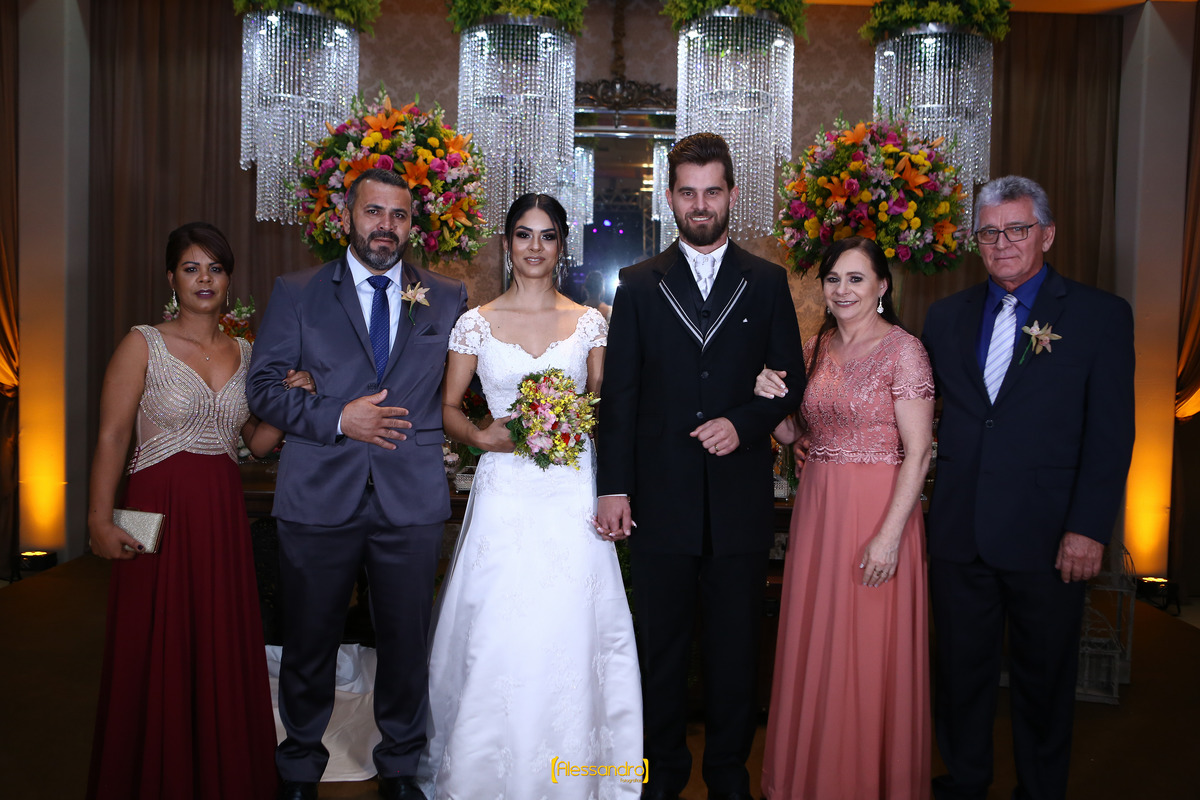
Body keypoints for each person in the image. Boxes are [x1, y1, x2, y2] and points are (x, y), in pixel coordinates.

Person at [247, 168, 468, 800]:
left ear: (412, 225)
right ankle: (299, 765)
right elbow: (262, 389)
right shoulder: (298, 291)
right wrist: (339, 417)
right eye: (374, 212)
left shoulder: (447, 296)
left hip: (411, 495)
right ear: (348, 215)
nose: (385, 227)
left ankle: (399, 765)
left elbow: (473, 379)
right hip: (319, 492)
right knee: (308, 638)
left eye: (399, 215)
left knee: (407, 642)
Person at [595, 132, 804, 800]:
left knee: (735, 652)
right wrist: (614, 488)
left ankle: (728, 777)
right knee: (661, 650)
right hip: (660, 500)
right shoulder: (638, 284)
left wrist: (742, 423)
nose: (701, 204)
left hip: (739, 501)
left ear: (732, 195)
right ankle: (661, 777)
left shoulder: (767, 281)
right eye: (688, 192)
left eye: (712, 191)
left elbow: (789, 381)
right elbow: (619, 397)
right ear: (670, 198)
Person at [416, 193, 642, 799]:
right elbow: (446, 407)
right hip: (506, 492)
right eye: (523, 234)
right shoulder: (476, 322)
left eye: (546, 235)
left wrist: (575, 423)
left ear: (562, 245)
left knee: (571, 625)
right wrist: (480, 436)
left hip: (571, 491)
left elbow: (607, 408)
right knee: (501, 626)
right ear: (507, 243)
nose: (534, 247)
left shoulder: (591, 322)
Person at [921, 175, 1135, 799]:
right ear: (976, 241)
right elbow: (916, 410)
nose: (1003, 243)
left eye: (1018, 229)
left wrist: (1088, 527)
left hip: (1051, 537)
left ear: (1048, 235)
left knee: (1043, 680)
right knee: (959, 676)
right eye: (989, 232)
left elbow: (1111, 434)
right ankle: (966, 782)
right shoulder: (945, 317)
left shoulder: (1099, 316)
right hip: (959, 531)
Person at [86, 222, 312, 799]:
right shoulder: (142, 344)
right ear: (172, 278)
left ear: (229, 279)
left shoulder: (248, 352)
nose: (204, 279)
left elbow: (256, 443)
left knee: (217, 642)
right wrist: (98, 519)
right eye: (191, 268)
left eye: (214, 268)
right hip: (152, 511)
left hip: (220, 513)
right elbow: (112, 436)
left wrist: (292, 400)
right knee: (148, 639)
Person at [754, 237, 935, 799]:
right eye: (833, 279)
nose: (842, 290)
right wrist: (766, 400)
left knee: (867, 650)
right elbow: (796, 432)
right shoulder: (814, 347)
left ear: (882, 286)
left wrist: (889, 537)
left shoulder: (905, 350)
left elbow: (919, 452)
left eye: (856, 279)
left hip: (879, 512)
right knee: (818, 643)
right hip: (820, 510)